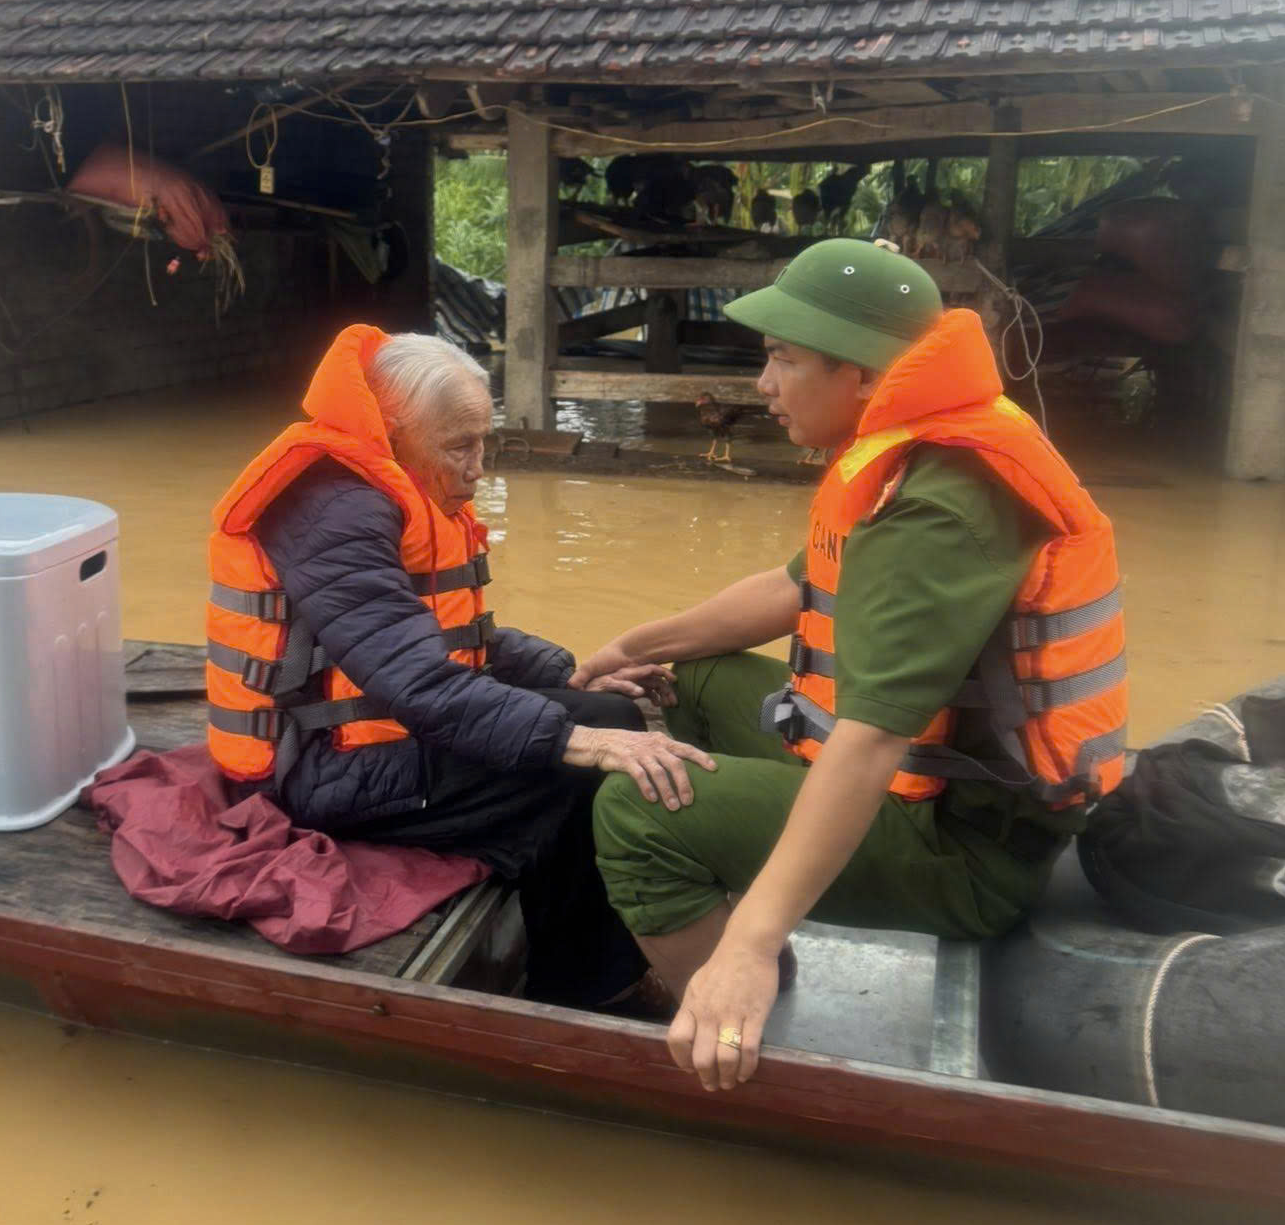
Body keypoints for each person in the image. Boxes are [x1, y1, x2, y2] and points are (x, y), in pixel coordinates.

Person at [571, 240, 1128, 1089]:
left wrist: (750, 947)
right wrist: (635, 647)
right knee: (688, 679)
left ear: (863, 376)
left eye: (784, 361)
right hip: (934, 786)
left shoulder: (941, 502)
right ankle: (737, 916)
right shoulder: (915, 443)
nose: (762, 386)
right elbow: (795, 585)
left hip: (967, 846)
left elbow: (870, 741)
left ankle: (718, 1015)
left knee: (634, 815)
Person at [206, 323, 714, 1010]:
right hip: (317, 769)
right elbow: (414, 680)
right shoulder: (333, 509)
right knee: (573, 769)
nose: (479, 468)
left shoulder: (389, 489)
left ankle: (600, 949)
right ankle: (592, 990)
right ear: (391, 431)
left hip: (378, 739)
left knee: (613, 712)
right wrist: (576, 739)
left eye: (484, 442)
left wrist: (566, 673)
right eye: (460, 446)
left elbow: (457, 637)